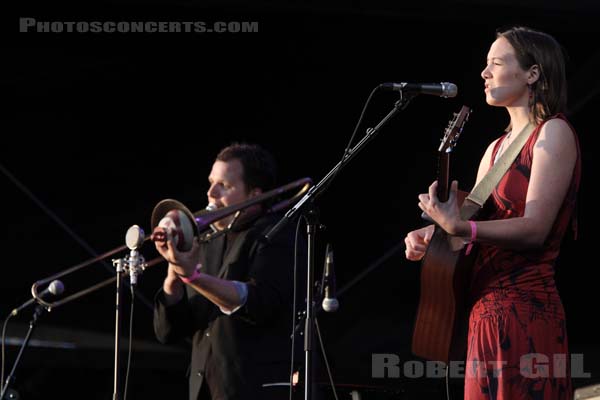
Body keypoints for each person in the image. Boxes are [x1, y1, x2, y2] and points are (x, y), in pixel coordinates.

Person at [404, 26, 581, 399]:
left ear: (533, 74)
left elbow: (534, 229)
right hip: (483, 312)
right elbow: (463, 225)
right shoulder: (495, 149)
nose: (484, 73)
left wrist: (461, 226)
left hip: (526, 311)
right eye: (485, 64)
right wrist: (433, 233)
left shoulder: (553, 134)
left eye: (496, 63)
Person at [152, 143, 303, 400]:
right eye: (212, 182)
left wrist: (193, 276)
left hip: (251, 390)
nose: (211, 192)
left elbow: (257, 303)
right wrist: (173, 277)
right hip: (204, 391)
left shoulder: (275, 234)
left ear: (255, 195)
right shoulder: (208, 239)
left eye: (224, 185)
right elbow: (167, 332)